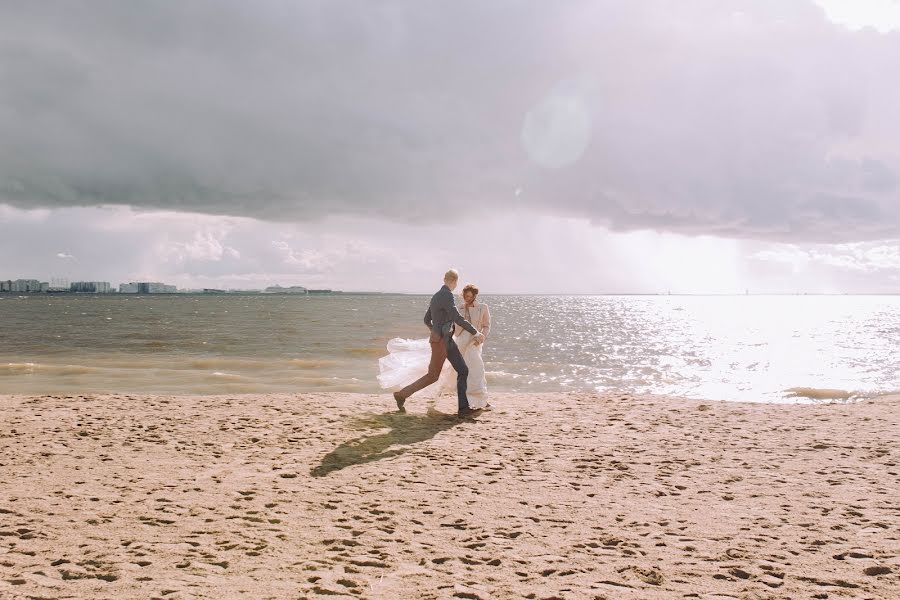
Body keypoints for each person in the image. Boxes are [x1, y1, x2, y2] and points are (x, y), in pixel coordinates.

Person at [384, 269, 485, 418]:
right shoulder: (447, 295)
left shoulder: (436, 296)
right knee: (433, 376)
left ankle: (463, 409)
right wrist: (475, 332)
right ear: (453, 282)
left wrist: (436, 330)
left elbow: (426, 319)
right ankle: (401, 395)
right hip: (441, 342)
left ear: (445, 279)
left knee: (463, 370)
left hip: (446, 340)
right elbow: (456, 317)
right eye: (456, 282)